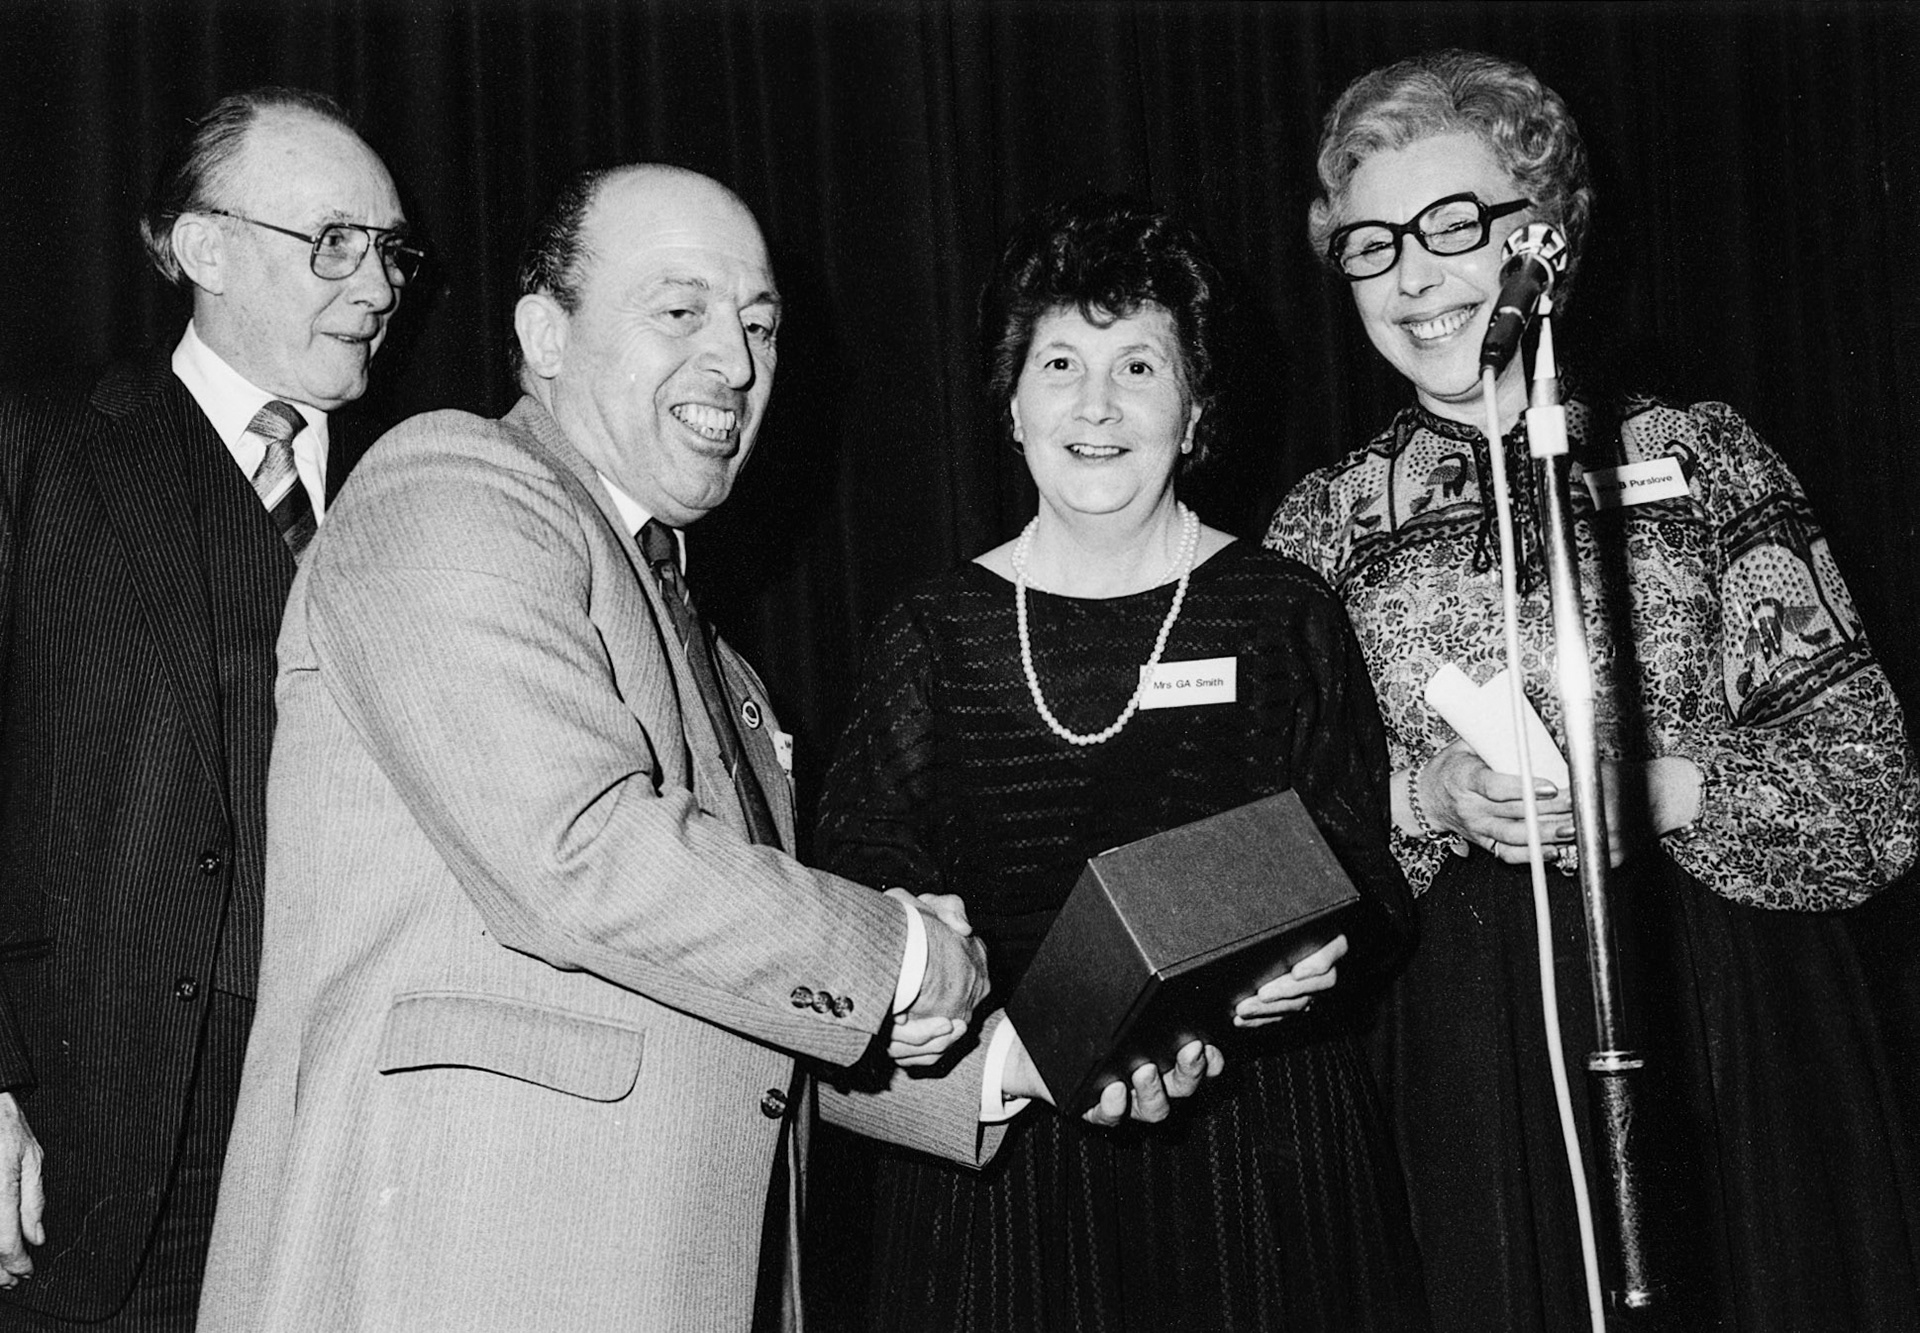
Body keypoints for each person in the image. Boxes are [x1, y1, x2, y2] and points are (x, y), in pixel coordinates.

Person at [193, 164, 1207, 1332]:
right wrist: (906, 956)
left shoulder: (723, 672)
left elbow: (730, 990)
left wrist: (1016, 1062)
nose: (734, 359)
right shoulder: (452, 482)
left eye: (759, 325)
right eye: (681, 310)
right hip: (461, 1271)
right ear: (545, 334)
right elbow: (577, 853)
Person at [1265, 48, 1920, 1333]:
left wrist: (1661, 788)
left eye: (1454, 225)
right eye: (1372, 245)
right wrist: (1426, 796)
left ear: (1545, 236)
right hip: (1456, 1053)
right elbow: (1267, 846)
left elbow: (1876, 793)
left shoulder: (1696, 455)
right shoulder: (1322, 526)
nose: (1413, 276)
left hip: (1719, 1016)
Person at [814, 194, 1429, 1332]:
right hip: (1006, 1158)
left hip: (1260, 1152)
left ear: (1194, 413)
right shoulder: (932, 631)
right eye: (1060, 363)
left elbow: (1366, 871)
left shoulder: (1284, 610)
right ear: (1012, 405)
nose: (1096, 404)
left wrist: (1322, 957)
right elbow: (863, 866)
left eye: (1139, 367)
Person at [0, 87, 416, 1329]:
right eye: (334, 242)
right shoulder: (39, 448)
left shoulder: (427, 494)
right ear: (203, 247)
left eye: (391, 251)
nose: (378, 286)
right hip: (97, 1152)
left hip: (367, 1138)